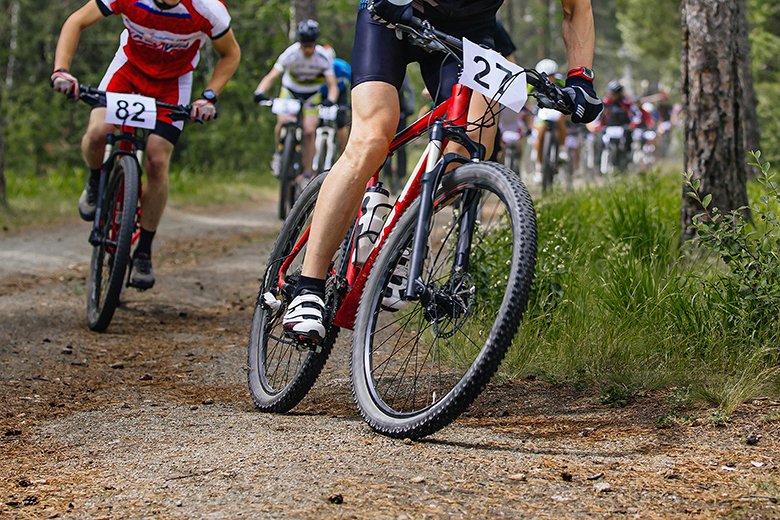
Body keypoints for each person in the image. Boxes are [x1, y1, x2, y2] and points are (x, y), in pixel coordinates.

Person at [281, 0, 603, 343]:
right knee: (372, 137)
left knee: (469, 145)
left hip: (470, 32)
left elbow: (576, 8)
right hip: (391, 15)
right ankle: (308, 287)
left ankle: (396, 238)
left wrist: (580, 77)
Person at [51, 0, 241, 290]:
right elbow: (76, 21)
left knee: (156, 160)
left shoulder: (207, 10)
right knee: (98, 132)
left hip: (173, 83)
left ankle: (143, 252)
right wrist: (62, 69)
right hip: (127, 72)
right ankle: (94, 181)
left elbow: (230, 53)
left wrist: (208, 96)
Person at [253, 20, 339, 183]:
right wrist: (259, 92)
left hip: (312, 94)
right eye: (304, 45)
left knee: (309, 131)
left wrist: (330, 100)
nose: (308, 49)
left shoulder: (323, 57)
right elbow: (271, 76)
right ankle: (279, 154)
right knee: (284, 121)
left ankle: (307, 172)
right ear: (299, 43)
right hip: (290, 91)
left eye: (311, 45)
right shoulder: (290, 54)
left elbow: (332, 85)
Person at [532, 58, 568, 184]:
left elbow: (568, 93)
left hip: (557, 109)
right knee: (540, 135)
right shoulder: (533, 83)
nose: (549, 78)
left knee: (560, 121)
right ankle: (539, 168)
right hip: (541, 111)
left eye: (551, 75)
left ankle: (563, 149)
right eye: (546, 76)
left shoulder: (561, 81)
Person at [319, 45, 352, 153]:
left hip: (340, 93)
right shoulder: (315, 67)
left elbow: (356, 81)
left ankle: (343, 152)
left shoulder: (342, 67)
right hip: (321, 94)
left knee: (341, 122)